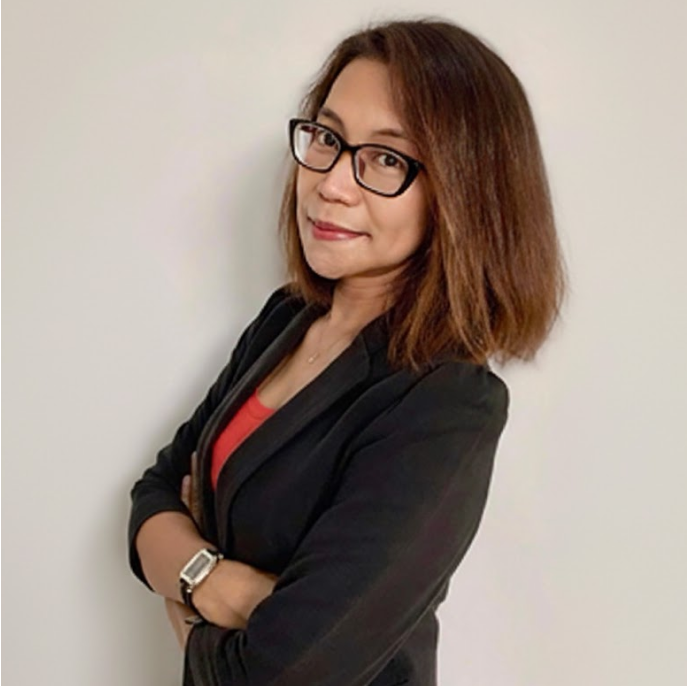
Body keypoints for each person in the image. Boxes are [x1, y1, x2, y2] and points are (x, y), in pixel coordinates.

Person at [127, 17, 565, 686]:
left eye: (386, 158)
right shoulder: (286, 319)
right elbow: (155, 492)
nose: (330, 183)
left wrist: (186, 607)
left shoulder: (446, 403)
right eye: (328, 138)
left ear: (463, 191)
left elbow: (282, 673)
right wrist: (213, 584)